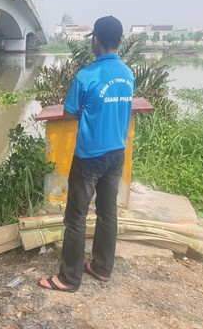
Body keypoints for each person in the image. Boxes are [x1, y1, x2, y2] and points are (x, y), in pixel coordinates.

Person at [39, 16, 135, 293]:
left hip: (90, 156)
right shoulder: (128, 74)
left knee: (76, 217)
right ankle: (102, 268)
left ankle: (69, 278)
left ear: (95, 40)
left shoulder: (87, 75)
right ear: (119, 41)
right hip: (117, 153)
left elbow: (70, 112)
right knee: (108, 212)